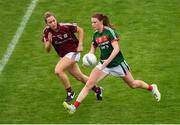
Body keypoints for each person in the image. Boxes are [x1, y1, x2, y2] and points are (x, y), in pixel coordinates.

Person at [63, 13, 161, 114]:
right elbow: (93, 47)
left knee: (133, 84)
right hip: (103, 65)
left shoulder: (109, 32)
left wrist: (107, 62)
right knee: (89, 84)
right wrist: (89, 57)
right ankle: (73, 107)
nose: (92, 24)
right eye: (91, 22)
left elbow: (116, 49)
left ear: (101, 22)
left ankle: (152, 88)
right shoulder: (95, 34)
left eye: (94, 22)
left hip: (117, 64)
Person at [42, 12, 103, 103]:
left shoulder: (65, 26)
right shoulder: (46, 32)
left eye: (54, 20)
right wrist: (49, 42)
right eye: (50, 22)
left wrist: (80, 44)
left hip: (73, 52)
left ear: (56, 19)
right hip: (64, 56)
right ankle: (97, 90)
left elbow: (80, 30)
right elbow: (47, 49)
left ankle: (70, 92)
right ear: (47, 24)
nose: (53, 23)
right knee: (79, 77)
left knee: (58, 70)